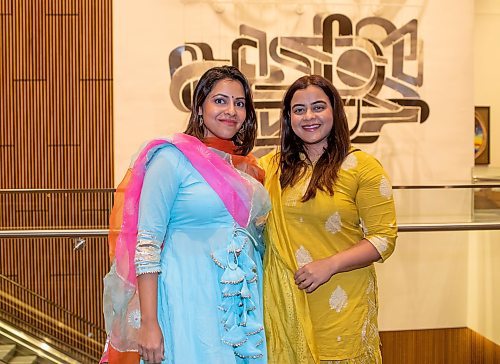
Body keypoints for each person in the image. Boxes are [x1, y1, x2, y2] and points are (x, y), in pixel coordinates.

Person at [101, 66, 270, 364]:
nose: (231, 110)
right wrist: (150, 324)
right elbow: (148, 244)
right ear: (200, 107)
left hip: (237, 305)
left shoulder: (245, 168)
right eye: (220, 101)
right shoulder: (170, 158)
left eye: (239, 103)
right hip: (187, 299)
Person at [259, 75, 397, 364]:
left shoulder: (363, 167)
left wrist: (330, 265)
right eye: (299, 109)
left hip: (342, 301)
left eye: (318, 107)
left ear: (335, 111)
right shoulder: (270, 167)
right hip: (285, 301)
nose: (309, 116)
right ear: (288, 118)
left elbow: (383, 238)